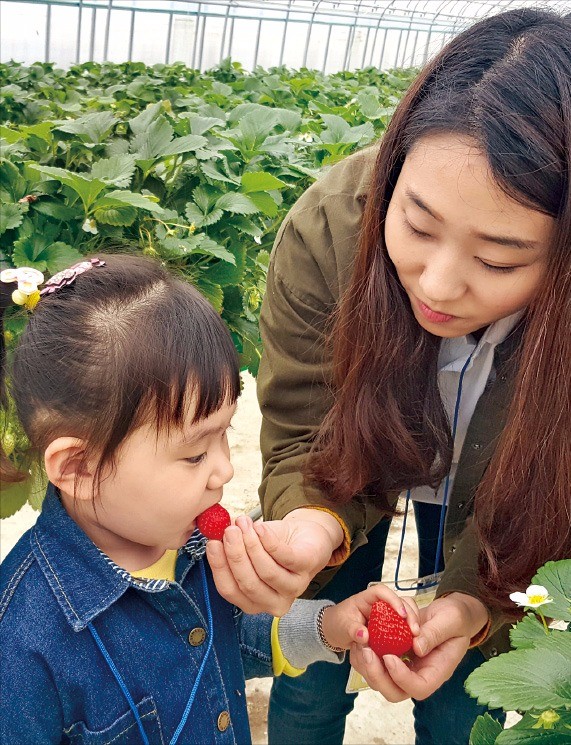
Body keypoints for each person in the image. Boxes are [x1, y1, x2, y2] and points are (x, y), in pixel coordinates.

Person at [202, 7, 571, 745]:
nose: (437, 283)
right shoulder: (331, 227)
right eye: (416, 224)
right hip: (358, 458)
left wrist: (474, 605)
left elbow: (553, 484)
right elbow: (305, 425)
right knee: (313, 663)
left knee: (466, 694)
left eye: (498, 260)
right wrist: (310, 524)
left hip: (500, 495)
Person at [0, 255, 420, 745]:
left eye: (225, 436)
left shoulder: (192, 547)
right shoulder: (22, 644)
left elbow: (230, 637)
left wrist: (332, 624)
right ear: (79, 468)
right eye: (196, 453)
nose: (225, 469)